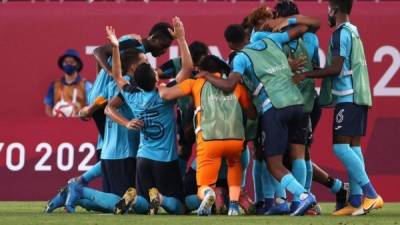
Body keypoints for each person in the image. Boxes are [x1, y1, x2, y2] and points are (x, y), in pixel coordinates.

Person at [293, 0, 383, 216]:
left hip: (347, 97)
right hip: (359, 96)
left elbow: (336, 69)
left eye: (328, 10)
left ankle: (371, 194)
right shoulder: (354, 31)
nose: (327, 14)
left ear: (334, 10)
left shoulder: (339, 34)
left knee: (340, 148)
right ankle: (354, 200)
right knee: (354, 148)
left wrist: (305, 74)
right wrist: (318, 70)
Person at [106, 17, 191, 215]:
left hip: (142, 159)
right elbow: (186, 69)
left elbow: (118, 76)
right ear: (155, 79)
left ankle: (134, 199)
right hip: (164, 160)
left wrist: (116, 47)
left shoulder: (132, 96)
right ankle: (159, 198)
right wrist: (182, 39)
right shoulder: (163, 95)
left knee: (144, 204)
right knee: (179, 208)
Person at [272, 0, 349, 214]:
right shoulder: (310, 37)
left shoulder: (280, 41)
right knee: (298, 154)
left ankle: (304, 202)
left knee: (290, 154)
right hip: (307, 102)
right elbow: (313, 63)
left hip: (294, 103)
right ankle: (334, 189)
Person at [158, 55, 257, 216]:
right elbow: (252, 114)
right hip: (235, 140)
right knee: (234, 168)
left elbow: (166, 95)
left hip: (209, 141)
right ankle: (233, 207)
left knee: (203, 184)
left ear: (201, 71)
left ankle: (208, 194)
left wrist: (162, 86)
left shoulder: (195, 84)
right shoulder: (237, 87)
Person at [44, 49, 92, 117]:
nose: (68, 64)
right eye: (66, 62)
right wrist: (54, 120)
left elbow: (91, 107)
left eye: (72, 62)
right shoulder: (54, 85)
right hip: (57, 125)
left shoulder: (87, 85)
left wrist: (82, 115)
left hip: (80, 125)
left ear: (77, 64)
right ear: (62, 64)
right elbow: (48, 108)